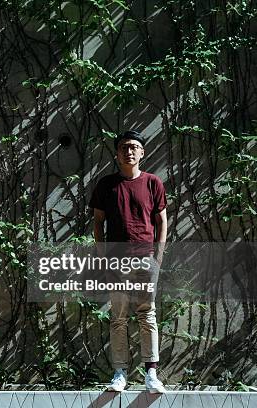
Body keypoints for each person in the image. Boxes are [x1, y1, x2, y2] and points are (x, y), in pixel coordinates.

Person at [89, 130, 168, 393]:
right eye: (124, 147)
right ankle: (120, 374)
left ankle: (151, 375)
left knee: (147, 315)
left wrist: (158, 256)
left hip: (146, 260)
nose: (129, 151)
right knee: (119, 317)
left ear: (142, 152)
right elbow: (98, 223)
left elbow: (161, 222)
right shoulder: (106, 185)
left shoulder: (153, 183)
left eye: (134, 147)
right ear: (117, 153)